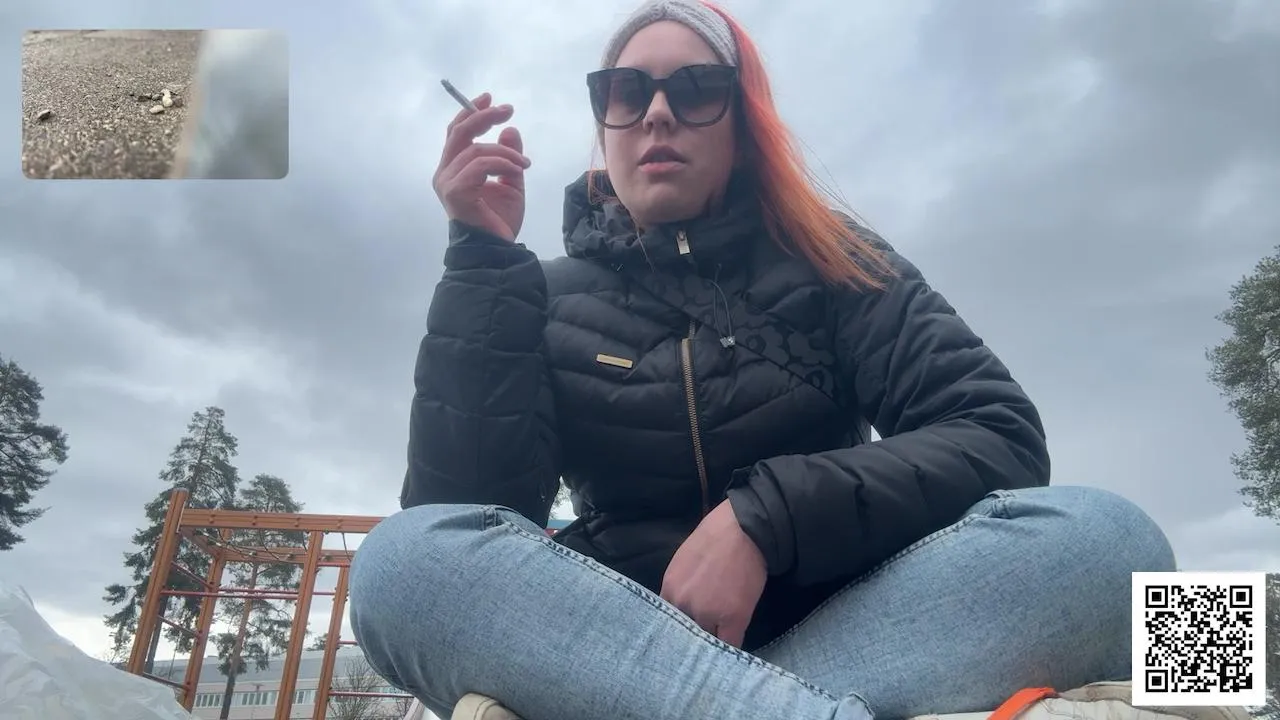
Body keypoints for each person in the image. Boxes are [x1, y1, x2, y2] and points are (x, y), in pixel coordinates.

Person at [349, 1, 1176, 719]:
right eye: (627, 91)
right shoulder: (537, 294)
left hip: (860, 617)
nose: (658, 113)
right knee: (401, 564)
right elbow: (469, 519)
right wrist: (482, 261)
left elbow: (998, 435)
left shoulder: (835, 260)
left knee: (1114, 540)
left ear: (743, 127)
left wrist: (765, 518)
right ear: (605, 124)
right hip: (623, 644)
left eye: (695, 89)